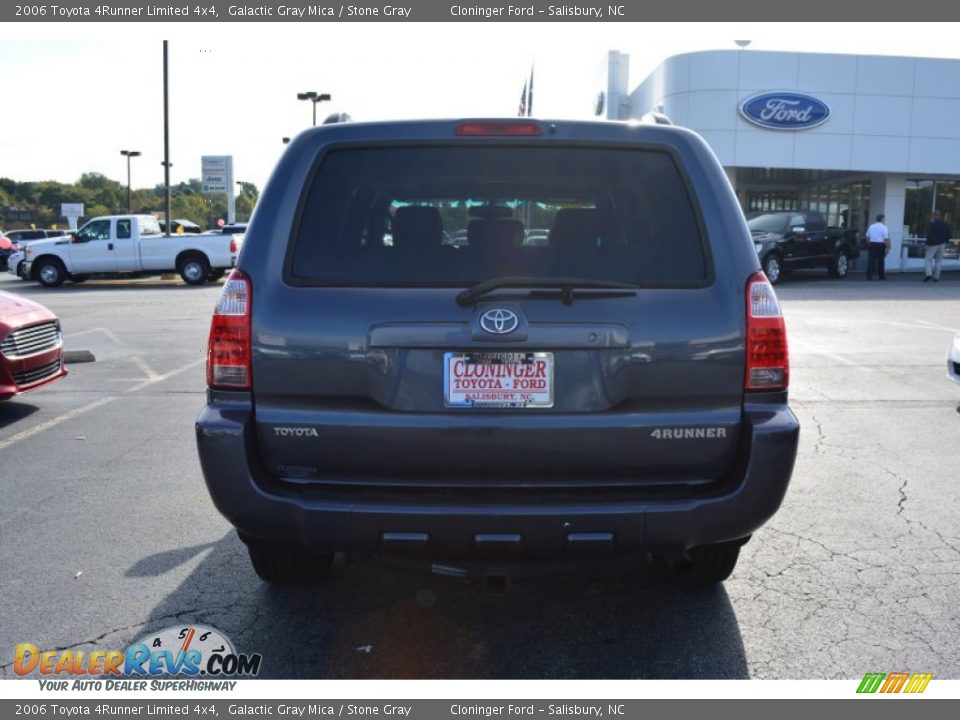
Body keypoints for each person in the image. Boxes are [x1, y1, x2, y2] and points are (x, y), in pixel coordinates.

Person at [924, 210, 950, 282]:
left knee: (928, 259)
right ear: (940, 215)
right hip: (942, 243)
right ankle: (936, 277)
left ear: (934, 215)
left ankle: (929, 274)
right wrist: (946, 241)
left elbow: (930, 234)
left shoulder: (932, 223)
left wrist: (927, 243)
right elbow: (948, 233)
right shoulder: (945, 223)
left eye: (933, 215)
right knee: (939, 260)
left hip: (932, 244)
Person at [865, 213, 890, 281]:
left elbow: (867, 236)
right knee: (881, 261)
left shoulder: (871, 226)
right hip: (881, 245)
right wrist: (888, 247)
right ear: (882, 219)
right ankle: (881, 276)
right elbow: (886, 239)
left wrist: (869, 244)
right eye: (884, 219)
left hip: (872, 244)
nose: (885, 220)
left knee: (871, 261)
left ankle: (869, 276)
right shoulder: (884, 227)